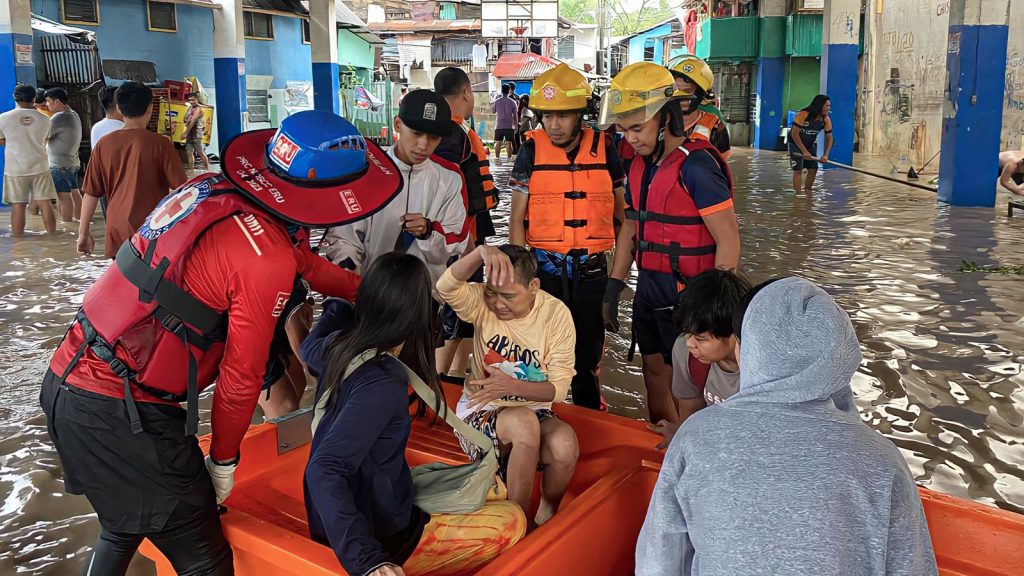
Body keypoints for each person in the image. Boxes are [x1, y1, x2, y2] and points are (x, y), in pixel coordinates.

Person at [40, 110, 400, 575]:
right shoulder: (264, 259)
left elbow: (305, 264)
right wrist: (223, 460)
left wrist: (364, 292)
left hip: (69, 379)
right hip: (123, 415)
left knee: (121, 523)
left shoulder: (212, 189)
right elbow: (240, 376)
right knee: (205, 560)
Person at [635, 277, 939, 576]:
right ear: (841, 357)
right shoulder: (882, 460)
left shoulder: (694, 439)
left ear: (744, 349)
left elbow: (659, 561)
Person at [303, 253, 526, 576]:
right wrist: (369, 560)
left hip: (362, 506)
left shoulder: (337, 346)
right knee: (513, 519)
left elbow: (310, 346)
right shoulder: (381, 383)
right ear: (417, 313)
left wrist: (339, 305)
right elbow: (324, 468)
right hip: (380, 535)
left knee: (496, 489)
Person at [599, 62, 740, 425]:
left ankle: (697, 443)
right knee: (653, 373)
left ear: (665, 118)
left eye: (637, 128)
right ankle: (661, 443)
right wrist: (614, 286)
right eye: (623, 129)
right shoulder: (637, 165)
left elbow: (728, 240)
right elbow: (631, 228)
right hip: (650, 290)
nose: (629, 138)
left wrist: (714, 308)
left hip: (691, 296)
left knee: (694, 383)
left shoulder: (697, 167)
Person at [508, 63, 627, 410]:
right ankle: (540, 419)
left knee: (587, 359)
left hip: (592, 273)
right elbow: (516, 218)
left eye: (563, 116)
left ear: (581, 115)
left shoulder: (606, 149)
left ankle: (590, 416)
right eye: (547, 116)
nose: (553, 125)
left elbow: (623, 219)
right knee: (539, 354)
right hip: (545, 273)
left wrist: (616, 282)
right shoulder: (530, 151)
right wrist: (519, 278)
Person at [437, 244, 579, 527]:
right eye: (492, 293)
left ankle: (546, 514)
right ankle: (515, 522)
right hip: (480, 411)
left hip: (535, 411)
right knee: (524, 424)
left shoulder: (556, 315)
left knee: (565, 445)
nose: (498, 304)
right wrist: (479, 253)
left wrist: (512, 387)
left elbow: (559, 389)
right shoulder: (480, 302)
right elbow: (446, 286)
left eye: (509, 296)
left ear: (534, 286)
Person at [324, 89, 469, 288]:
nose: (423, 145)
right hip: (369, 293)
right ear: (398, 124)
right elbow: (344, 237)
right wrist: (346, 283)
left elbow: (456, 240)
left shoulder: (451, 178)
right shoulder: (365, 171)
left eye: (433, 137)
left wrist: (428, 231)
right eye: (416, 133)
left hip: (425, 298)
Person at [433, 67, 501, 380]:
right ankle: (436, 380)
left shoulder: (442, 131)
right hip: (463, 241)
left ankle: (457, 376)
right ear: (466, 93)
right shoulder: (453, 136)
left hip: (465, 236)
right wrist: (465, 245)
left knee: (468, 310)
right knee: (454, 310)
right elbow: (445, 190)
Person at [78, 81, 188, 258]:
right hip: (152, 228)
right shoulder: (161, 144)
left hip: (116, 228)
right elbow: (182, 189)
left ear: (119, 109)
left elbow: (91, 193)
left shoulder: (103, 144)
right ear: (150, 109)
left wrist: (83, 233)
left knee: (122, 280)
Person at [648, 269, 750, 450]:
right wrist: (682, 434)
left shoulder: (765, 365)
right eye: (687, 333)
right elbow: (691, 419)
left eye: (700, 339)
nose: (689, 344)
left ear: (734, 332)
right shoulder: (686, 353)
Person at [0, 84, 58, 236]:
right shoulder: (45, 119)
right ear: (34, 98)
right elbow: (45, 139)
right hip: (40, 166)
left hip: (15, 168)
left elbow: (1, 141)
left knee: (18, 205)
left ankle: (19, 241)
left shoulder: (3, 118)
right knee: (45, 203)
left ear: (15, 98)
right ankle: (52, 238)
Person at [668, 57, 731, 159]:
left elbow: (721, 165)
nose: (681, 97)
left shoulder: (716, 126)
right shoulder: (656, 122)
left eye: (688, 92)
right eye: (677, 91)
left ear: (700, 93)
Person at [45, 87, 84, 223]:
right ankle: (79, 221)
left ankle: (68, 226)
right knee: (74, 194)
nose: (46, 105)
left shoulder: (59, 117)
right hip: (71, 162)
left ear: (57, 101)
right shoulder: (73, 114)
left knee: (63, 197)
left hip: (59, 165)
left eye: (48, 101)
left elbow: (43, 135)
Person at [789, 94, 833, 192]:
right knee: (798, 170)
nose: (829, 108)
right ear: (819, 105)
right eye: (827, 106)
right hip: (795, 144)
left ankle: (808, 192)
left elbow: (829, 138)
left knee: (813, 169)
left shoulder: (825, 119)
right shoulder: (803, 114)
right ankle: (798, 196)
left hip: (810, 144)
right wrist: (804, 151)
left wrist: (825, 155)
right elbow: (794, 134)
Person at [492, 83, 519, 164]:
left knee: (498, 143)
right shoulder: (513, 102)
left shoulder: (496, 101)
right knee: (509, 143)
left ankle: (497, 159)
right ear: (508, 91)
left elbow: (493, 111)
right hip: (509, 125)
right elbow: (515, 115)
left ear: (501, 90)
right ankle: (509, 159)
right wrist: (516, 125)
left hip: (499, 125)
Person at [184, 92, 211, 172]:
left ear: (196, 99)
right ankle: (191, 170)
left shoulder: (198, 109)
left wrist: (185, 133)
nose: (191, 102)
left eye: (193, 100)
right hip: (190, 135)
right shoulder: (190, 108)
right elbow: (186, 119)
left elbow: (192, 121)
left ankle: (207, 169)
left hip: (196, 135)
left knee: (200, 152)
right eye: (190, 100)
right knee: (189, 152)